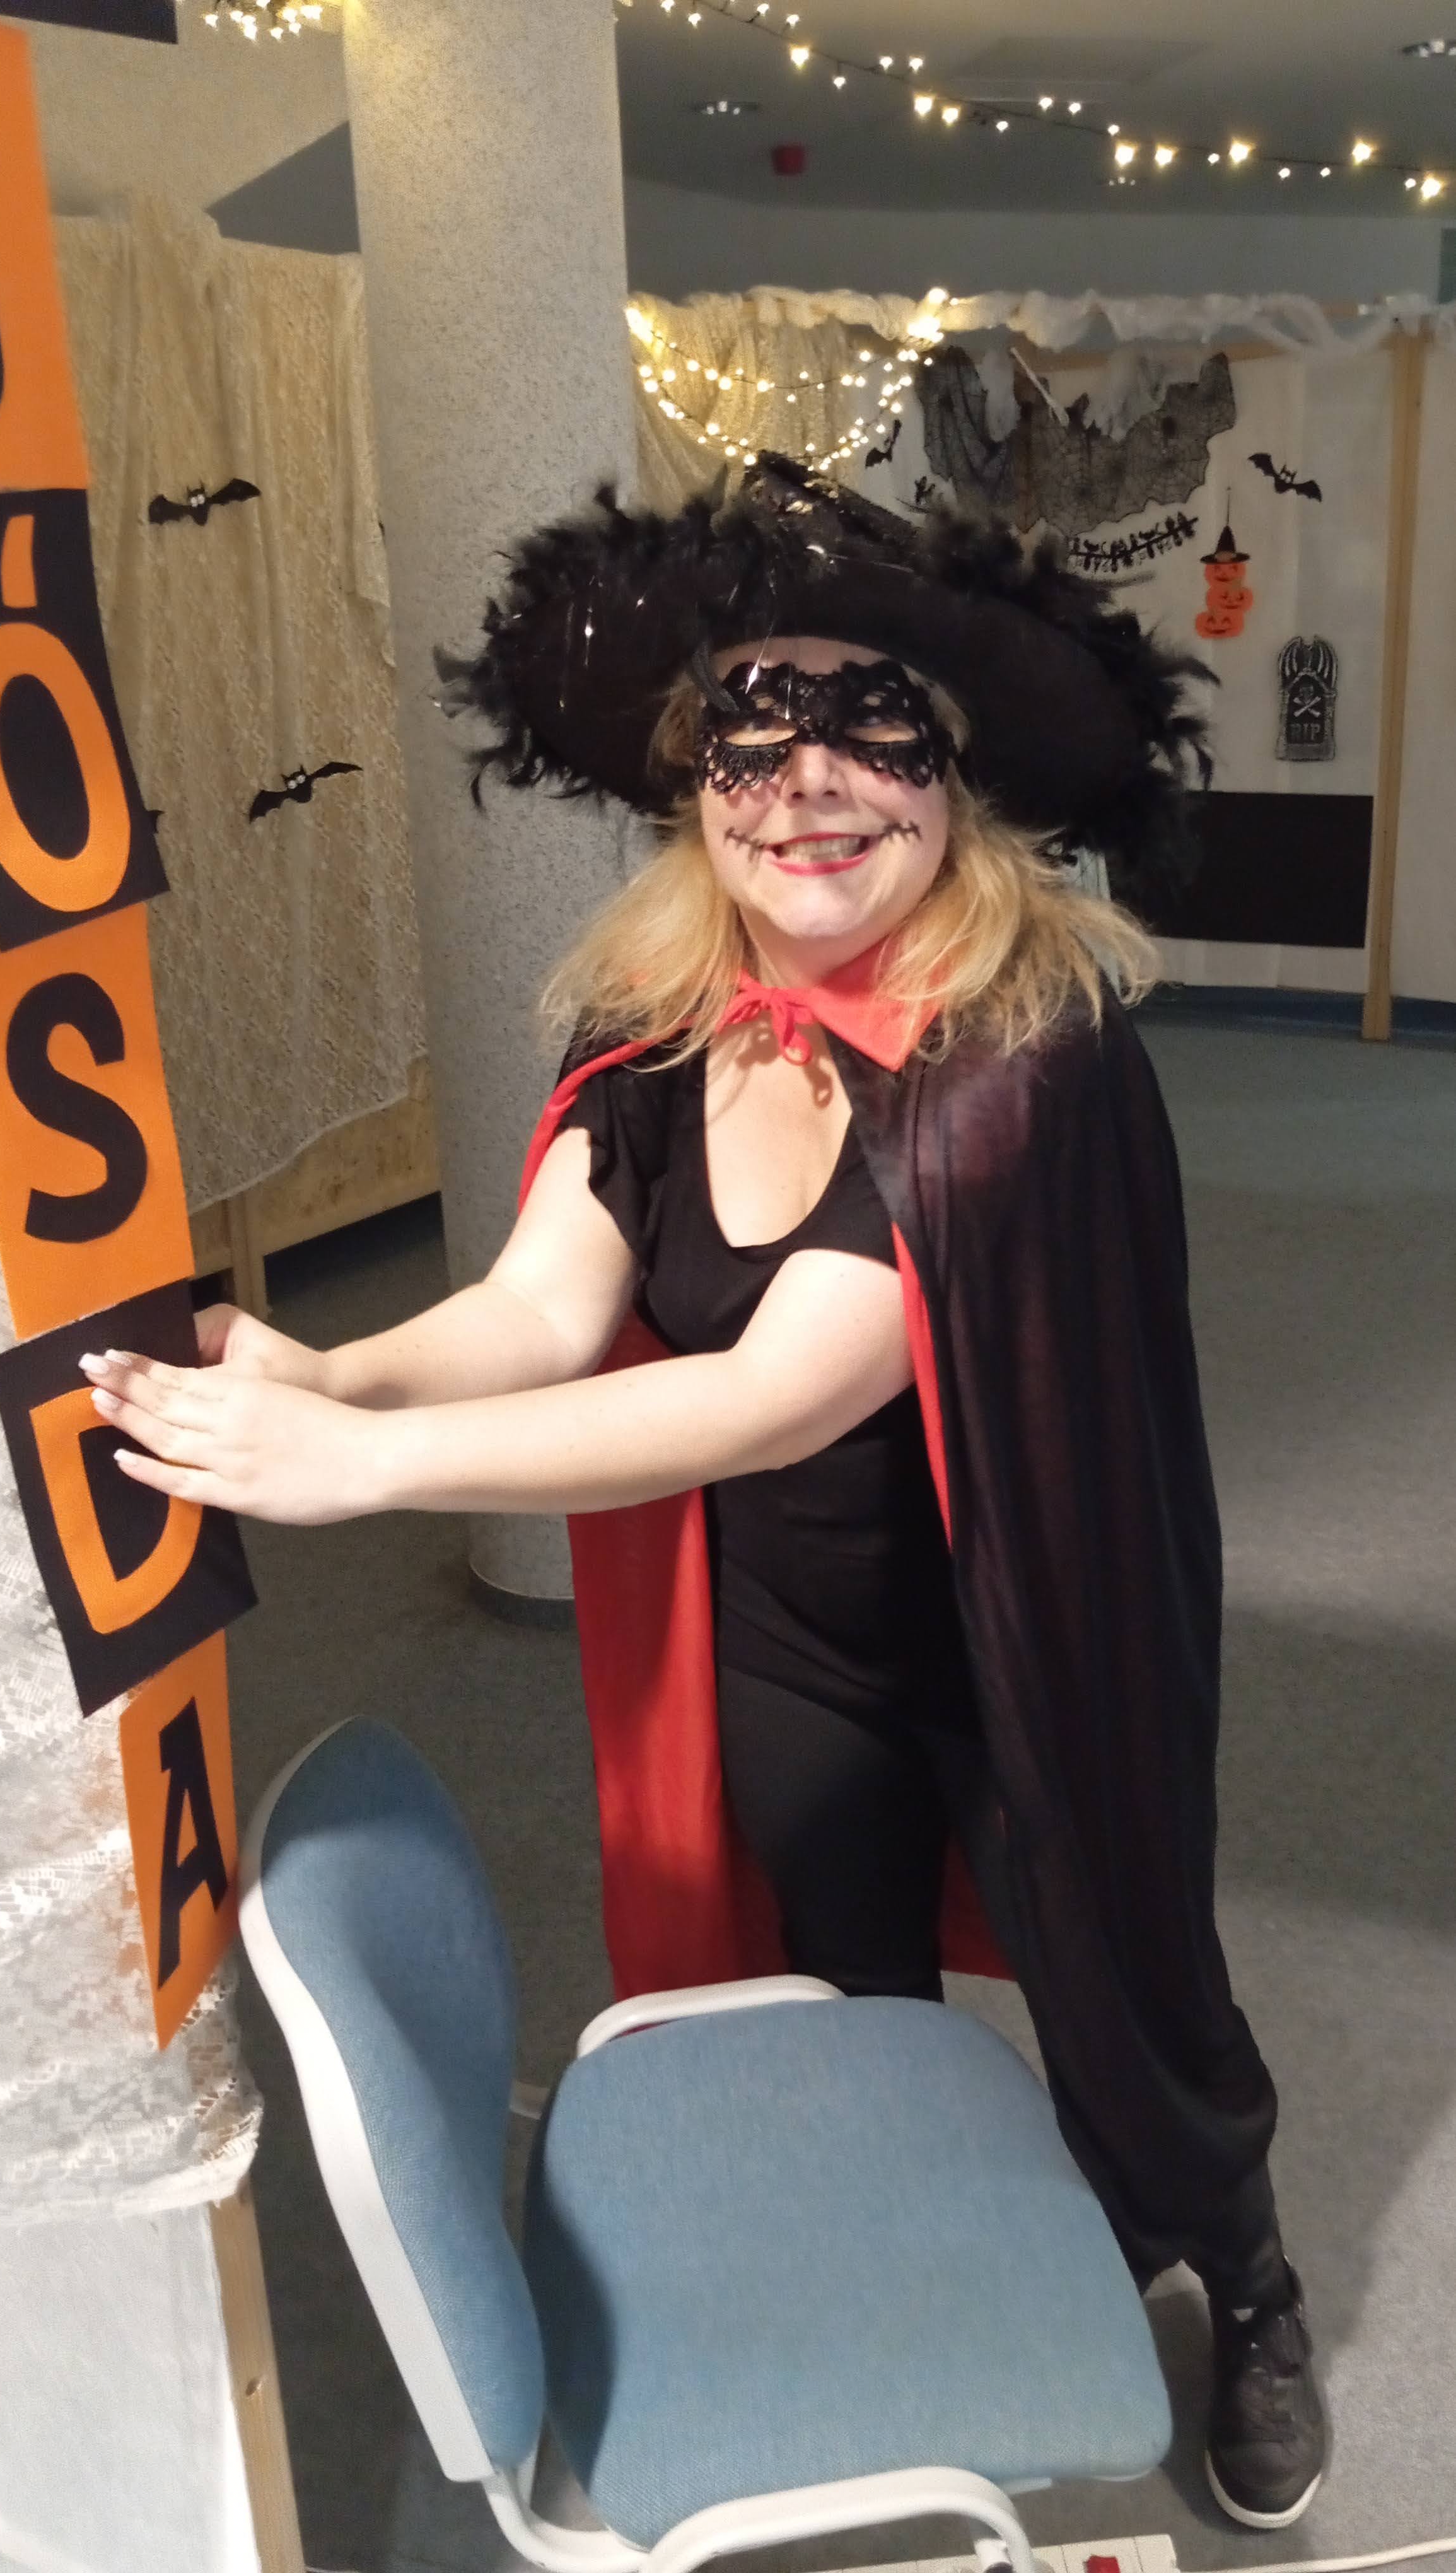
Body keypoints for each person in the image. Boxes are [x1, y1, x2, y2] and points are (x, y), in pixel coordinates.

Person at [83, 458, 1326, 2528]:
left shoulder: (1020, 1051)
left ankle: (1247, 2281)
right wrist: (332, 1369)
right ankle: (917, 2269)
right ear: (692, 779)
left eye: (872, 727)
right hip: (795, 1640)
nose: (806, 782)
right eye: (753, 729)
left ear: (957, 778)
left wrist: (361, 1466)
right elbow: (543, 1309)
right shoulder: (656, 1030)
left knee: (1130, 2004)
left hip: (1029, 1635)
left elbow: (765, 1394)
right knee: (846, 1993)